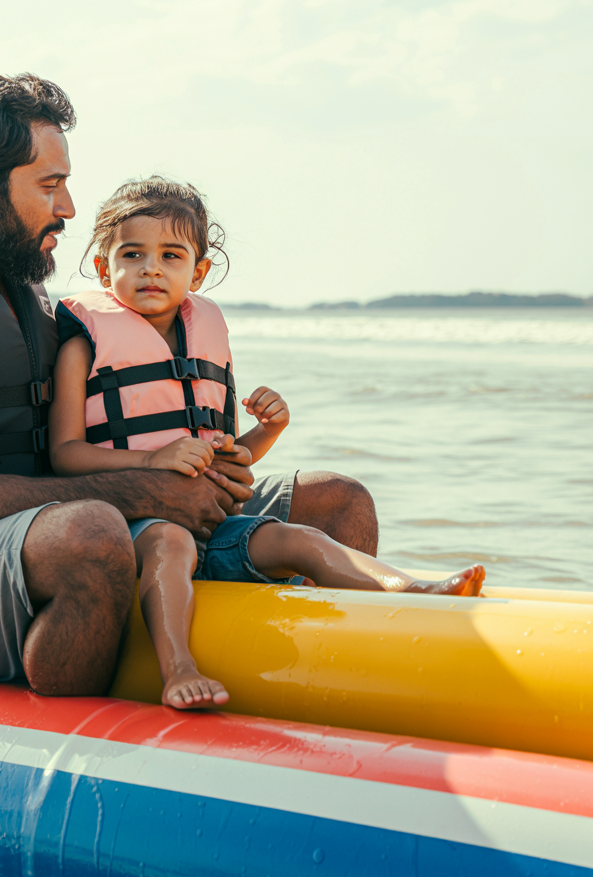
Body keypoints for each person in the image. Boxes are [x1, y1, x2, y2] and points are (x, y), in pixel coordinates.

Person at [0, 71, 382, 697]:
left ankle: (332, 690)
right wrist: (143, 491)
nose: (69, 208)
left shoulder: (35, 304)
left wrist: (211, 468)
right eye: (51, 186)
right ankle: (81, 737)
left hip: (60, 525)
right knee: (92, 534)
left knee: (335, 500)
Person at [49, 177, 486, 709]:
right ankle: (178, 670)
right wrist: (151, 459)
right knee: (172, 544)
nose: (151, 269)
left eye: (171, 255)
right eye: (133, 254)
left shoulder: (200, 339)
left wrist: (268, 431)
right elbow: (64, 454)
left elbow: (230, 460)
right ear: (103, 268)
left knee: (300, 538)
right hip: (141, 527)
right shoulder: (82, 348)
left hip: (218, 523)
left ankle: (411, 592)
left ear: (198, 271)